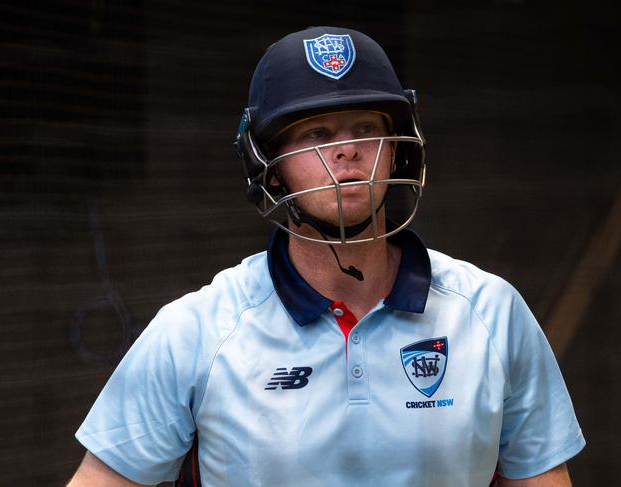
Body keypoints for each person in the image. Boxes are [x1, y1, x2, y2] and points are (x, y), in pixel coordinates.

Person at [68, 26, 585, 486]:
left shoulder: (492, 312)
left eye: (365, 129)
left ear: (398, 149)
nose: (347, 151)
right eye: (315, 135)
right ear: (269, 167)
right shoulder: (197, 330)